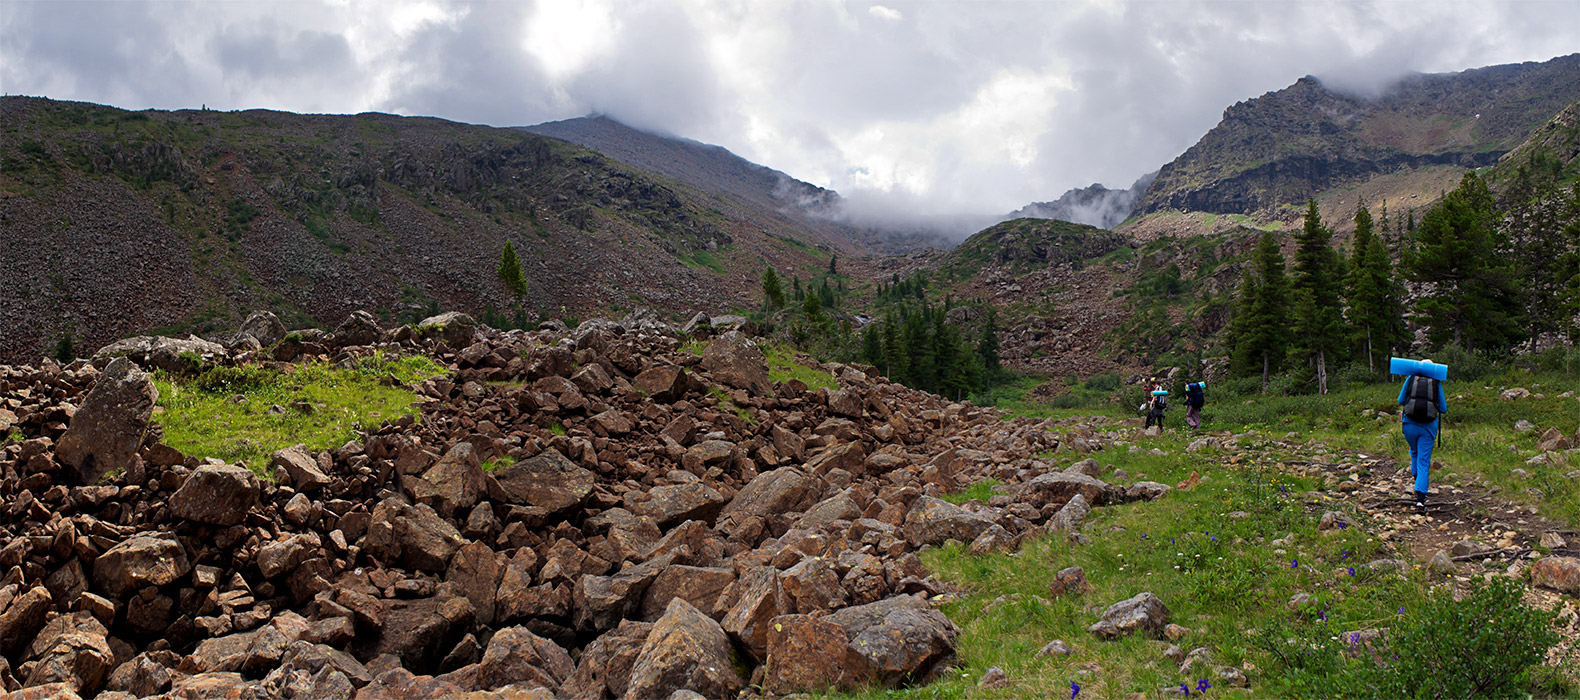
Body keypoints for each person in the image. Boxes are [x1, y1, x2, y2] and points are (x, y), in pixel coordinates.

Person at [1397, 371, 1448, 510]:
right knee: (1423, 461)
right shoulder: (1436, 383)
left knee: (1414, 452)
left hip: (1409, 425)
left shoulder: (1411, 379)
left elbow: (1401, 400)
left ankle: (1417, 480)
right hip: (1428, 428)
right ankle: (1420, 499)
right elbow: (1443, 409)